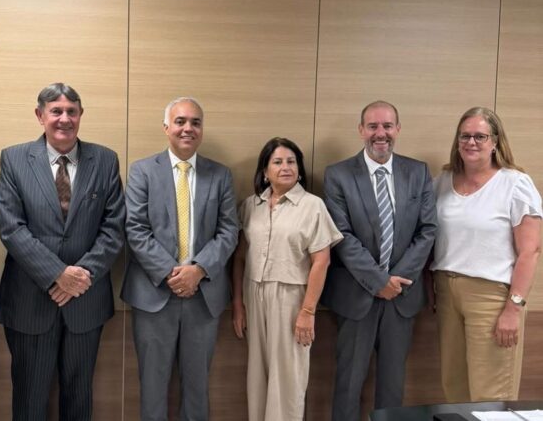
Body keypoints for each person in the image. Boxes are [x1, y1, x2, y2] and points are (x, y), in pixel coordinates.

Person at [0, 82, 125, 420]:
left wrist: (80, 277)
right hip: (30, 300)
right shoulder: (14, 158)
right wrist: (57, 274)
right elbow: (11, 228)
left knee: (79, 396)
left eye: (71, 111)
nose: (64, 118)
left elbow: (113, 228)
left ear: (81, 115)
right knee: (29, 397)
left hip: (86, 299)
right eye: (56, 111)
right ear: (40, 116)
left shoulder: (105, 160)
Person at [121, 97, 238, 421]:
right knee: (153, 386)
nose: (188, 128)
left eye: (195, 122)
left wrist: (197, 271)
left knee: (198, 387)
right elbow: (135, 228)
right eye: (180, 121)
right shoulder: (143, 171)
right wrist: (173, 274)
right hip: (153, 294)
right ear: (166, 127)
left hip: (204, 295)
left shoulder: (221, 175)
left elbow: (229, 230)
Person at [321, 100, 436, 421]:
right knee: (348, 385)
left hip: (402, 296)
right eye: (373, 126)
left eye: (387, 126)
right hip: (357, 295)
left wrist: (395, 281)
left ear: (398, 129)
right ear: (361, 130)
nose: (380, 133)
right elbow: (341, 235)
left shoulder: (418, 172)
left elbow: (427, 231)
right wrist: (378, 281)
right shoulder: (338, 175)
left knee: (392, 387)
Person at [429, 107, 541, 402]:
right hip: (446, 292)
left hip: (491, 297)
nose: (471, 142)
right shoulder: (442, 182)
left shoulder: (515, 184)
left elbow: (530, 252)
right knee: (454, 388)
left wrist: (513, 309)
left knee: (490, 396)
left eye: (480, 136)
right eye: (464, 136)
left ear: (495, 142)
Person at [231, 137, 342, 421]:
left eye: (291, 162)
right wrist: (238, 304)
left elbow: (322, 261)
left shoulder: (313, 206)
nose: (286, 167)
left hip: (292, 300)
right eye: (277, 162)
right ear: (265, 171)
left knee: (288, 380)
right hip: (254, 295)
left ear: (300, 169)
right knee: (257, 378)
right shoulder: (251, 205)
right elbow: (240, 257)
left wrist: (308, 311)